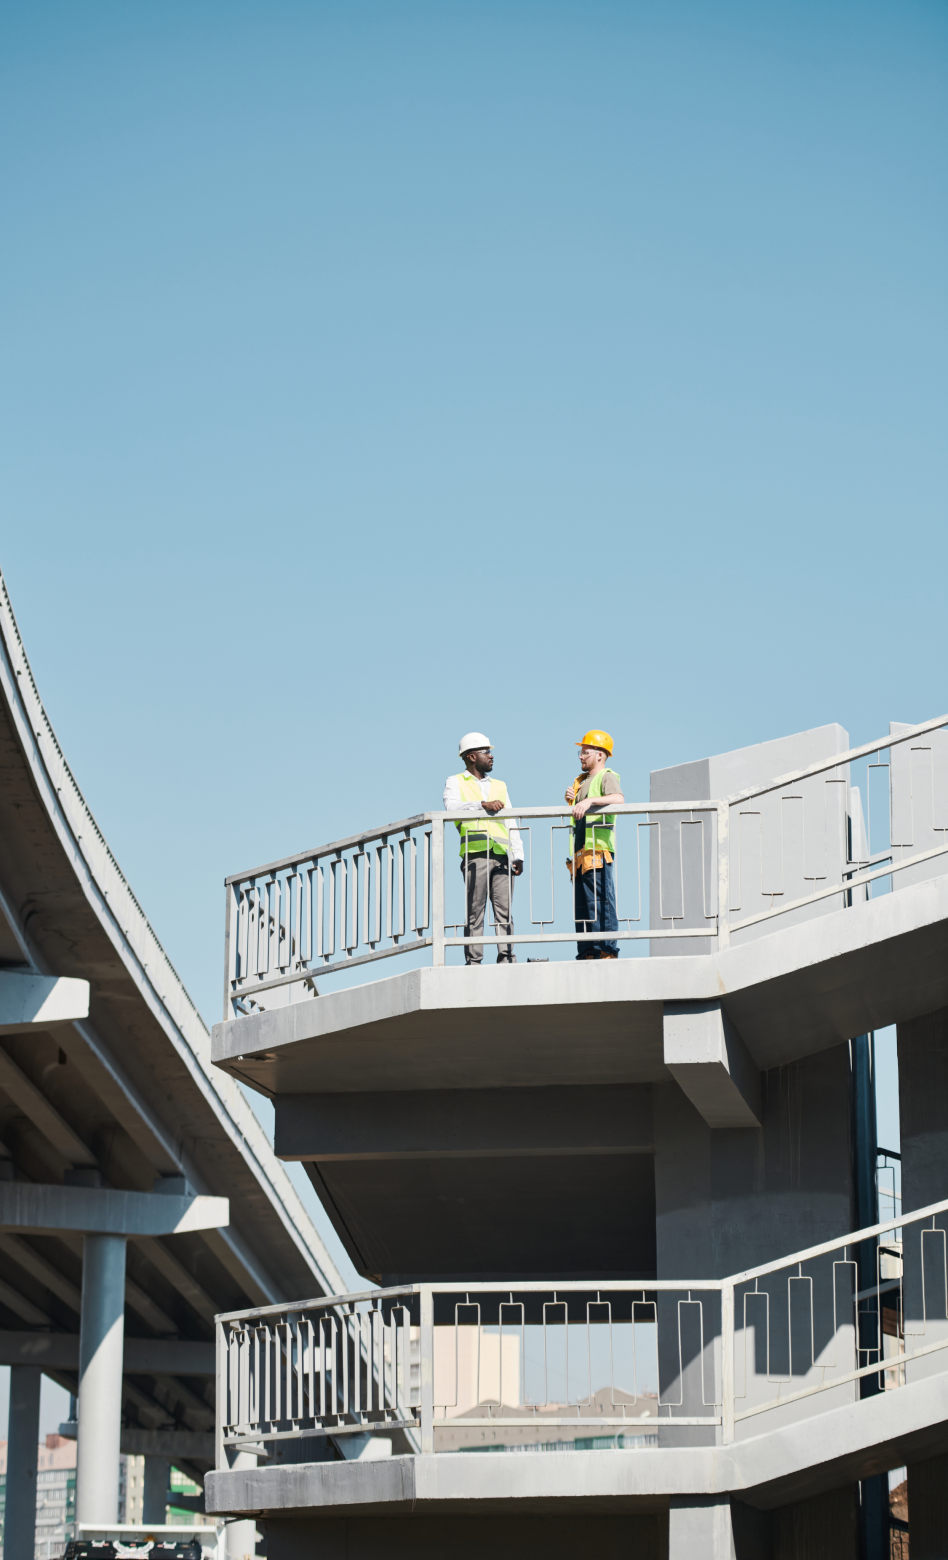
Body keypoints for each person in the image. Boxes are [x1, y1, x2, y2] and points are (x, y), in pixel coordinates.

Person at [444, 733, 523, 965]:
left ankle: (507, 960)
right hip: (475, 855)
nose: (491, 756)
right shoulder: (455, 781)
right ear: (471, 756)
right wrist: (481, 805)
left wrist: (518, 855)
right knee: (475, 911)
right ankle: (474, 962)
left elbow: (511, 820)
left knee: (504, 912)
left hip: (502, 856)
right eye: (486, 752)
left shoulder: (500, 785)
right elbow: (451, 808)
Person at [566, 729, 624, 960]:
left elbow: (618, 799)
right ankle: (588, 952)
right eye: (580, 753)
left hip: (598, 850)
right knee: (583, 906)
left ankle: (606, 950)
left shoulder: (607, 776)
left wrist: (589, 800)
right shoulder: (581, 782)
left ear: (600, 755)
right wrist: (572, 799)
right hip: (581, 852)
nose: (581, 756)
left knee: (601, 901)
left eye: (585, 752)